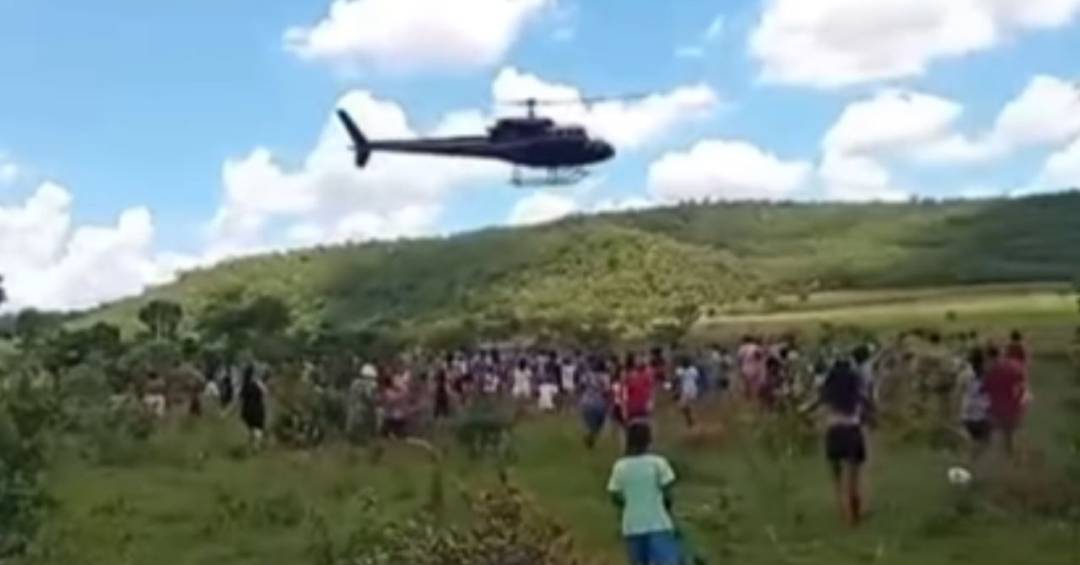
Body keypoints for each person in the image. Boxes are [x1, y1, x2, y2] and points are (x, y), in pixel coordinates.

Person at [806, 358, 874, 526]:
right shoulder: (856, 391)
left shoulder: (828, 391)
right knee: (853, 478)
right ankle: (854, 515)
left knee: (837, 479)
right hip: (852, 431)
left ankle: (842, 512)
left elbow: (811, 406)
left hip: (834, 432)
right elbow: (869, 409)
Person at [607, 422, 681, 565]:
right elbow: (668, 492)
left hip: (632, 526)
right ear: (648, 440)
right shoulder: (658, 463)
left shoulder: (620, 466)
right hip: (659, 524)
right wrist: (667, 506)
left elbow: (615, 495)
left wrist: (627, 504)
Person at [984, 345, 1026, 457]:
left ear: (988, 356)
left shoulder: (989, 370)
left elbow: (986, 389)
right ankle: (1013, 456)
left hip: (997, 406)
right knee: (1012, 433)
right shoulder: (1015, 366)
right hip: (1014, 404)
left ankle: (1003, 458)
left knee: (997, 433)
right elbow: (1022, 385)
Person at [957, 347, 991, 461]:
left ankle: (970, 461)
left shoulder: (964, 374)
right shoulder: (989, 374)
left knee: (971, 441)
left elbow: (958, 393)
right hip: (985, 413)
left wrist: (955, 411)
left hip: (968, 411)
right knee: (984, 443)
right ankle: (975, 462)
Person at [580, 361, 610, 448]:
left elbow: (581, 386)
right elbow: (607, 390)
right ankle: (590, 437)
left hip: (586, 401)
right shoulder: (605, 377)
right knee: (599, 424)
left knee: (591, 424)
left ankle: (590, 437)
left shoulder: (586, 375)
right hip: (599, 402)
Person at [239, 365, 268, 447]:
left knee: (251, 428)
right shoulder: (259, 384)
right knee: (258, 428)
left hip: (246, 410)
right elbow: (265, 394)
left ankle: (251, 443)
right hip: (257, 409)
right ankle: (256, 445)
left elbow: (240, 399)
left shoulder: (245, 385)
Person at [624, 354, 654, 423]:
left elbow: (650, 389)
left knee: (644, 425)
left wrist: (650, 402)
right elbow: (625, 391)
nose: (638, 362)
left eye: (640, 360)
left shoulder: (647, 374)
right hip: (632, 406)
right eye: (637, 360)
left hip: (643, 405)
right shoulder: (628, 375)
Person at [675, 357, 699, 428]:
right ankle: (690, 420)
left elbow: (677, 379)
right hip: (693, 389)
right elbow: (696, 378)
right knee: (687, 406)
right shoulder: (693, 370)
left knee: (683, 406)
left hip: (686, 390)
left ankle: (690, 420)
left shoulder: (681, 370)